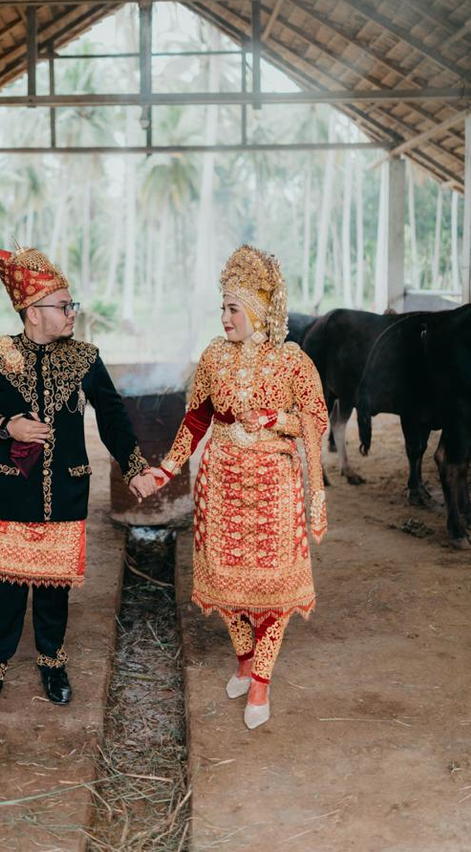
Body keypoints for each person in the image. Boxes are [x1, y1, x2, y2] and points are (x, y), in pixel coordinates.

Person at [0, 241, 156, 717]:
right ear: (32, 312)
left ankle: (52, 664)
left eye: (71, 305)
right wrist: (7, 426)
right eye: (64, 306)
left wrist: (135, 468)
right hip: (8, 491)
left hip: (64, 490)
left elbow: (112, 417)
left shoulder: (85, 358)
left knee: (53, 589)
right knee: (1, 589)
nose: (72, 314)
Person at [150, 245, 328, 729]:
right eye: (223, 308)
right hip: (222, 481)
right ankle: (245, 660)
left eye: (233, 308)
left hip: (274, 484)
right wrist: (166, 469)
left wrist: (276, 418)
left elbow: (316, 418)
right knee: (227, 584)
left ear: (258, 310)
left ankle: (263, 681)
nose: (225, 317)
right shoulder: (213, 356)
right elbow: (195, 419)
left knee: (272, 585)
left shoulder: (291, 360)